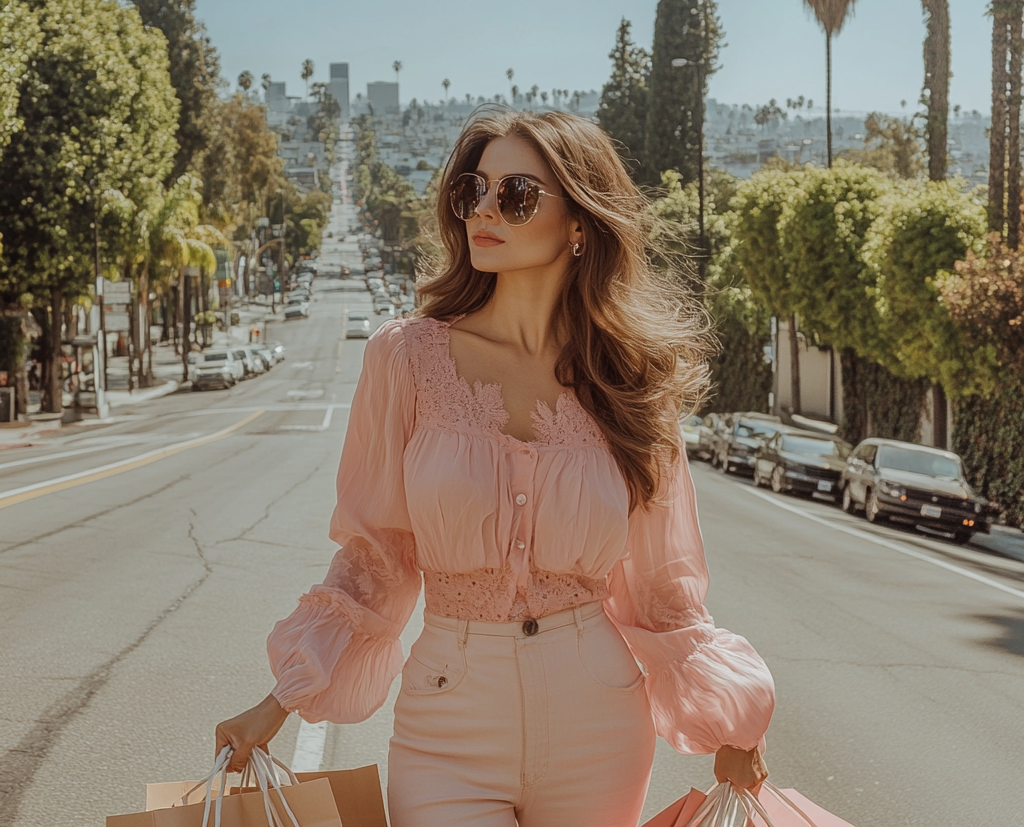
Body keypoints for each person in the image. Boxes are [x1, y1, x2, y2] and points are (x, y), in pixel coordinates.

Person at [216, 109, 774, 827]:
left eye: (515, 195)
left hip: (598, 720)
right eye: (473, 190)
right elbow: (376, 558)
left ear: (579, 222)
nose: (484, 208)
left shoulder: (631, 381)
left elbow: (664, 589)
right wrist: (279, 702)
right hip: (448, 721)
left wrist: (733, 722)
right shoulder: (405, 358)